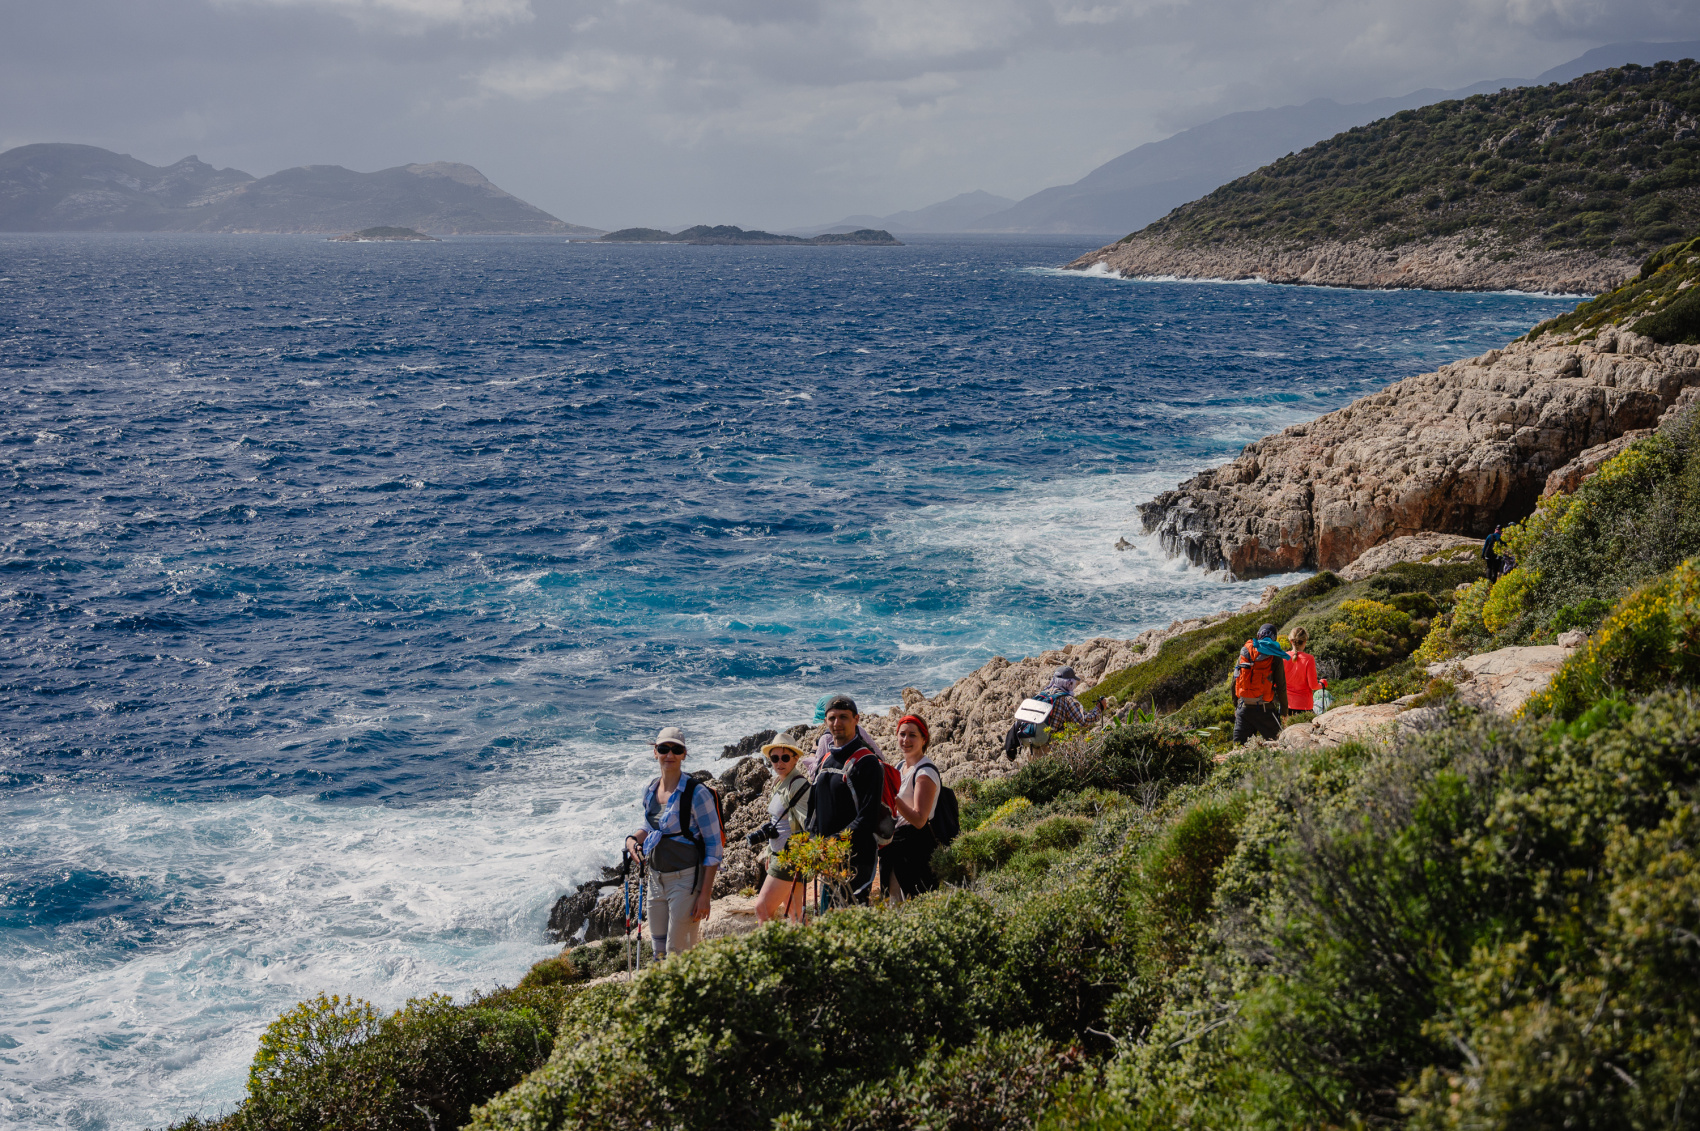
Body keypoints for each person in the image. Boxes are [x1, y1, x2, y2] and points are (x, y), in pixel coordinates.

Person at [623, 726, 723, 959]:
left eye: (676, 749)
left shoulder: (697, 793)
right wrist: (631, 840)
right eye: (663, 748)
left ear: (684, 754)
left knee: (678, 953)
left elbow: (714, 846)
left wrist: (705, 895)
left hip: (686, 881)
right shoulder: (650, 789)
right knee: (658, 952)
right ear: (655, 752)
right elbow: (651, 827)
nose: (669, 754)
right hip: (656, 879)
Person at [804, 694, 884, 904]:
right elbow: (813, 809)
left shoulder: (868, 763)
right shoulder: (826, 758)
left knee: (849, 926)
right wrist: (813, 842)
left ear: (856, 720)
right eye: (832, 718)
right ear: (825, 721)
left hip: (856, 863)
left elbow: (867, 819)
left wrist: (829, 844)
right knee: (827, 926)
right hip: (829, 861)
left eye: (843, 717)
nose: (837, 723)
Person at [881, 714, 941, 903]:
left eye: (912, 735)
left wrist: (891, 794)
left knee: (915, 901)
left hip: (916, 847)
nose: (906, 740)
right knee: (894, 899)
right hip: (896, 844)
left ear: (924, 739)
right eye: (902, 734)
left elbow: (919, 820)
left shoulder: (925, 772)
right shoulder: (900, 767)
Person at [751, 735, 810, 923]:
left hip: (789, 858)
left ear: (796, 758)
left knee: (762, 909)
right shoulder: (779, 782)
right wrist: (770, 852)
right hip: (779, 856)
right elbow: (778, 821)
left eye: (785, 758)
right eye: (774, 758)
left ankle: (768, 951)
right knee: (795, 914)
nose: (779, 762)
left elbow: (810, 824)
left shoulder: (797, 784)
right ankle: (804, 950)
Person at [1003, 665, 1105, 758]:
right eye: (1073, 682)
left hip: (1032, 748)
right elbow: (1084, 721)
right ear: (1068, 683)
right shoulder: (1067, 700)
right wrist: (1099, 709)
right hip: (1050, 751)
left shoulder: (1043, 694)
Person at [1231, 624, 1290, 744]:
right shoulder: (1275, 657)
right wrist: (1284, 713)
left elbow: (1234, 681)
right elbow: (1281, 688)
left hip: (1244, 709)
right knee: (1280, 744)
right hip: (1265, 710)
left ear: (1258, 635)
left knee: (1239, 749)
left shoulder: (1245, 652)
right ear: (1274, 639)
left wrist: (1236, 706)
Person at [1282, 626, 1325, 714]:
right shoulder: (1309, 659)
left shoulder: (1283, 657)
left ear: (1291, 641)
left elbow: (1276, 683)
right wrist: (1322, 684)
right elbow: (1313, 686)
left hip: (1286, 705)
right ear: (1305, 641)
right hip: (1305, 705)